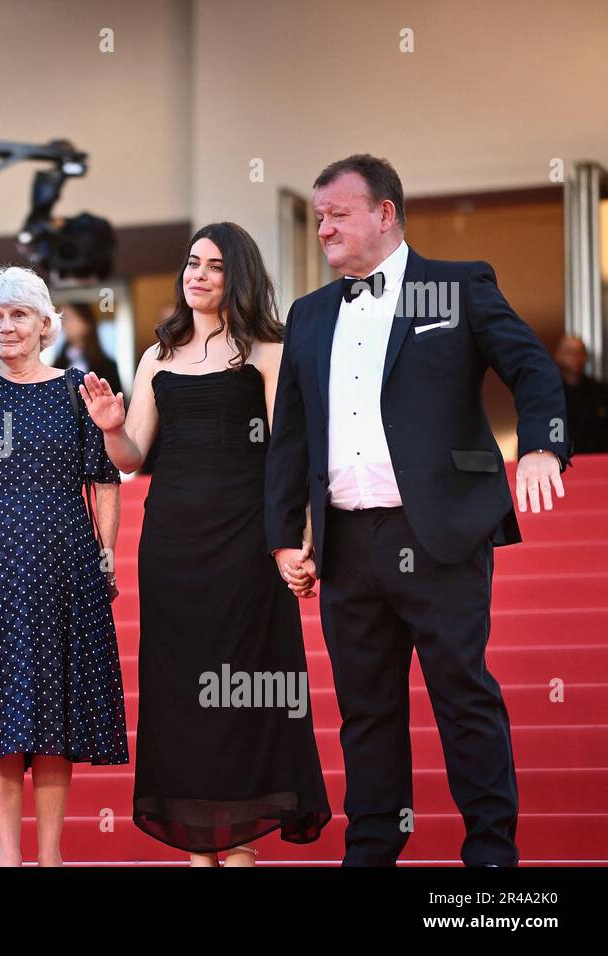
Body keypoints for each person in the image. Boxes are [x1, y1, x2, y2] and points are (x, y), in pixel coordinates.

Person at [264, 154, 572, 866]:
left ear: (384, 214)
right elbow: (291, 435)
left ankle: (491, 857)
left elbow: (531, 367)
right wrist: (284, 537)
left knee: (463, 698)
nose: (324, 230)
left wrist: (540, 448)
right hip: (346, 541)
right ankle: (372, 850)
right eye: (317, 219)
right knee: (366, 712)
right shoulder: (309, 316)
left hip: (439, 532)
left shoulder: (457, 286)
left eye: (338, 214)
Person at [78, 221, 330, 866]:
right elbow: (131, 457)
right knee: (181, 691)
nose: (198, 274)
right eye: (192, 262)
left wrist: (296, 539)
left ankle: (239, 841)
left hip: (247, 540)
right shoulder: (157, 355)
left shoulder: (269, 351)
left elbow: (287, 454)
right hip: (171, 544)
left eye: (215, 266)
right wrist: (109, 426)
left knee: (243, 688)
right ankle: (197, 846)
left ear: (237, 276)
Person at [0, 210, 128, 866]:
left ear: (48, 322)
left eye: (19, 315)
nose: (6, 327)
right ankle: (7, 856)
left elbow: (106, 481)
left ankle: (50, 857)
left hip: (68, 555)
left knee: (53, 716)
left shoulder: (78, 390)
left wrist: (105, 556)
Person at [53, 301, 122, 394]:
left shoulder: (107, 367)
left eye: (71, 318)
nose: (65, 324)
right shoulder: (57, 365)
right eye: (63, 318)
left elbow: (117, 400)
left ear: (86, 323)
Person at [554, 334, 608, 453]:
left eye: (580, 352)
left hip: (599, 461)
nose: (575, 357)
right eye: (570, 352)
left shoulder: (601, 392)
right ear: (558, 355)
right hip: (562, 463)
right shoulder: (549, 393)